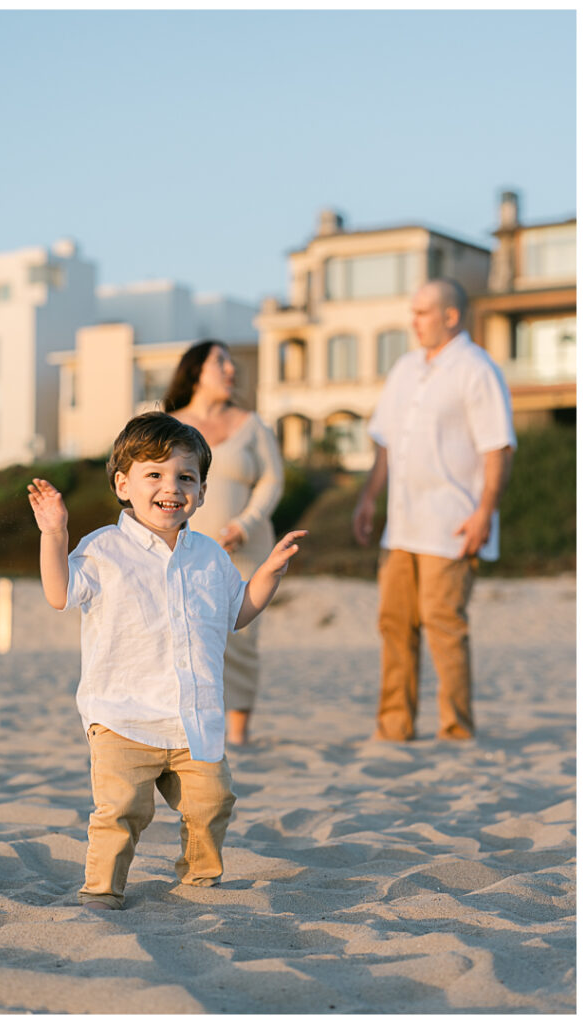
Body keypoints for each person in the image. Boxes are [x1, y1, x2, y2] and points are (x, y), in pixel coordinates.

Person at [27, 412, 306, 910]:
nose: (171, 487)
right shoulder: (103, 550)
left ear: (200, 489)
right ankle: (102, 891)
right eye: (154, 474)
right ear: (123, 484)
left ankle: (198, 881)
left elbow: (237, 613)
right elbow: (58, 593)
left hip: (192, 719)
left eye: (186, 477)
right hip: (121, 717)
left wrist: (269, 572)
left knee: (213, 801)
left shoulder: (210, 555)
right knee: (121, 810)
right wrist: (55, 533)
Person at [352, 278, 516, 742]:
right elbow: (384, 444)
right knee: (394, 625)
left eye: (423, 312)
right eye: (413, 312)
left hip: (452, 522)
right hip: (401, 525)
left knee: (444, 625)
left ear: (450, 316)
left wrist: (486, 512)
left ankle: (456, 729)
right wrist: (368, 499)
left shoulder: (477, 368)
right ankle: (395, 727)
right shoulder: (404, 368)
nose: (414, 321)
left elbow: (498, 449)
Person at [164, 340, 284, 747]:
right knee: (190, 632)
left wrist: (245, 524)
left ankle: (237, 734)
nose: (231, 370)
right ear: (197, 372)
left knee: (241, 635)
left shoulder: (252, 424)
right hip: (183, 547)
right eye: (221, 362)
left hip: (246, 549)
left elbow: (273, 480)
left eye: (232, 363)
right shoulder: (170, 425)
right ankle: (190, 725)